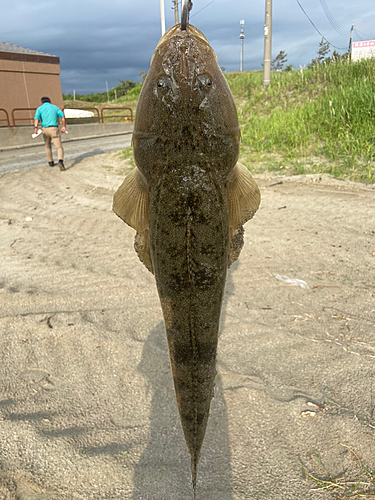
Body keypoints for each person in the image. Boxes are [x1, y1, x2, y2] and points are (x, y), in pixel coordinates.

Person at [33, 97, 67, 171]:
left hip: (45, 129)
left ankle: (50, 162)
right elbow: (63, 116)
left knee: (47, 146)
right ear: (50, 101)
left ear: (42, 102)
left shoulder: (39, 109)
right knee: (58, 147)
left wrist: (35, 128)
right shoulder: (55, 107)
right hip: (54, 129)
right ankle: (60, 161)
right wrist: (63, 126)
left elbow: (36, 119)